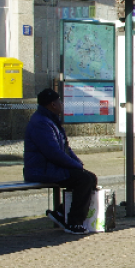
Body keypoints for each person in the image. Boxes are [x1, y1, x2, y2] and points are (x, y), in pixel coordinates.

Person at [24, 88, 97, 235]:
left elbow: (65, 148)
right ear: (53, 104)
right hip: (42, 170)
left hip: (52, 167)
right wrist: (75, 166)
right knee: (83, 180)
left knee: (89, 177)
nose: (62, 104)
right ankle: (73, 222)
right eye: (59, 101)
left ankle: (61, 213)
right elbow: (53, 153)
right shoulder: (41, 123)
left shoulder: (51, 120)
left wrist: (78, 163)